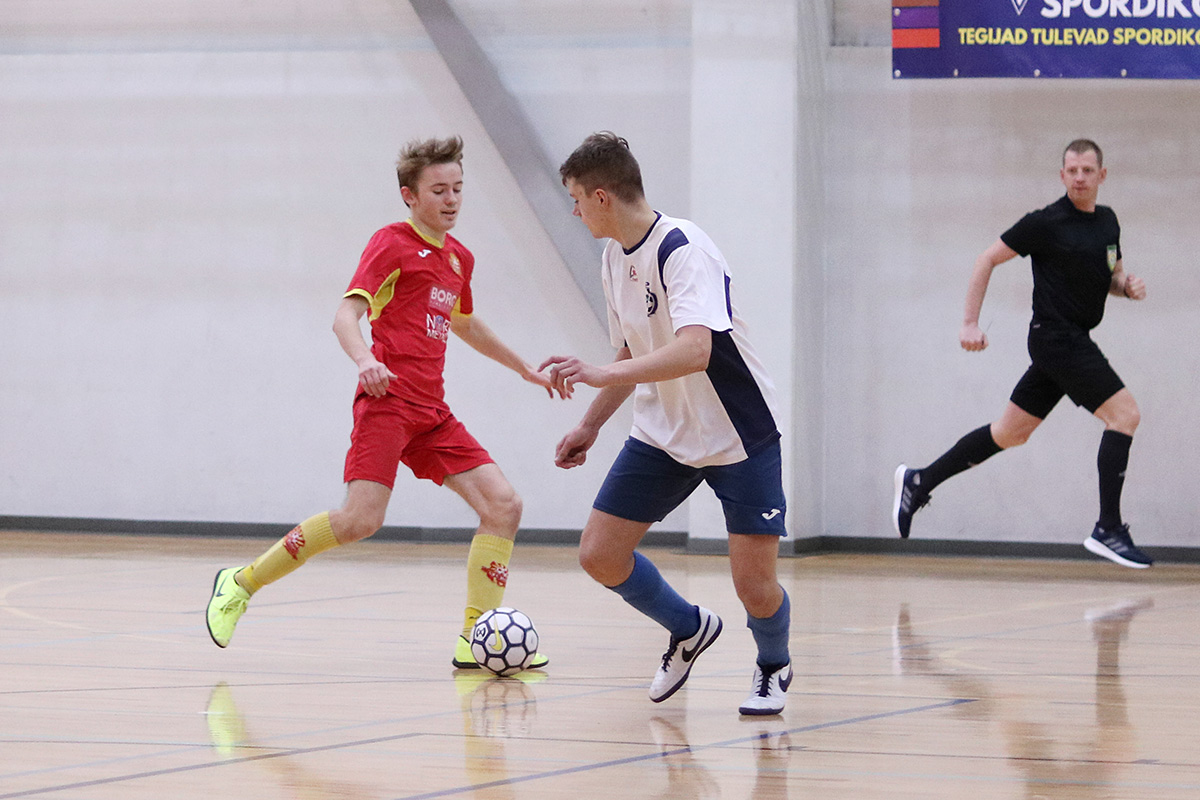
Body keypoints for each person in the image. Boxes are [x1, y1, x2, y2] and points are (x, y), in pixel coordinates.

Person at [206, 136, 561, 667]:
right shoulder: (391, 244)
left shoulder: (459, 258)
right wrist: (364, 359)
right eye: (438, 190)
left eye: (458, 189)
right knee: (359, 520)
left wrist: (524, 368)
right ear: (409, 195)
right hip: (387, 401)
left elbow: (465, 323)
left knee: (503, 506)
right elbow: (344, 315)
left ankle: (474, 639)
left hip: (432, 413)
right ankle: (240, 582)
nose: (451, 200)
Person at [541, 132, 792, 715]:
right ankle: (688, 627)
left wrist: (601, 373)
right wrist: (590, 425)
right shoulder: (613, 258)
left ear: (601, 197)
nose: (575, 212)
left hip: (738, 433)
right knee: (600, 555)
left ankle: (773, 665)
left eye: (576, 200)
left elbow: (696, 349)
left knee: (755, 588)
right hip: (662, 434)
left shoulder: (683, 249)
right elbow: (632, 351)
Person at [893, 139, 1151, 568]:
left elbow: (1111, 275)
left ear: (1102, 175)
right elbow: (986, 259)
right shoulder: (1045, 223)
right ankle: (1108, 527)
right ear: (1062, 175)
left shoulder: (1108, 222)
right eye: (1072, 170)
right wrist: (969, 323)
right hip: (1057, 339)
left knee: (1010, 433)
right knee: (1125, 415)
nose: (1079, 178)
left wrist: (1127, 287)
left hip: (1069, 340)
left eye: (1087, 170)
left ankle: (920, 481)